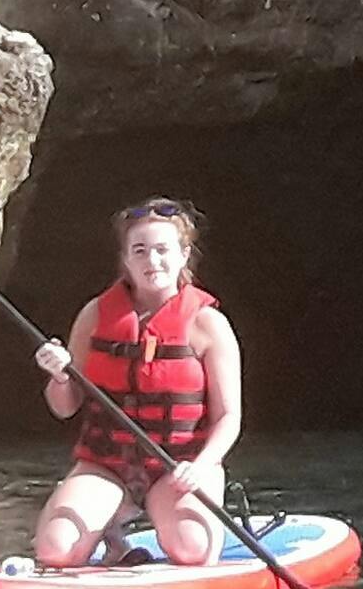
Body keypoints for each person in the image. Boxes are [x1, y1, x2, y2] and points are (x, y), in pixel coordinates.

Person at [28, 198, 246, 568]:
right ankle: (114, 540)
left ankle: (165, 520)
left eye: (162, 250)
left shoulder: (209, 324)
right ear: (126, 260)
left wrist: (203, 466)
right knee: (55, 551)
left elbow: (229, 417)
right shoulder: (95, 315)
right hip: (108, 464)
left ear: (183, 255)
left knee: (193, 549)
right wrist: (60, 376)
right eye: (140, 251)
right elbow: (65, 407)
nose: (152, 261)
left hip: (180, 465)